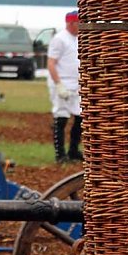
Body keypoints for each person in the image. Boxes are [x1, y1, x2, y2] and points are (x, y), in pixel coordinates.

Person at [47, 10, 81, 163]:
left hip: (77, 84)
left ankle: (73, 150)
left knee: (80, 118)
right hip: (62, 83)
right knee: (61, 118)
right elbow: (51, 63)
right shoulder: (59, 39)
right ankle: (60, 155)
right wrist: (58, 84)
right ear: (71, 23)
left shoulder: (79, 39)